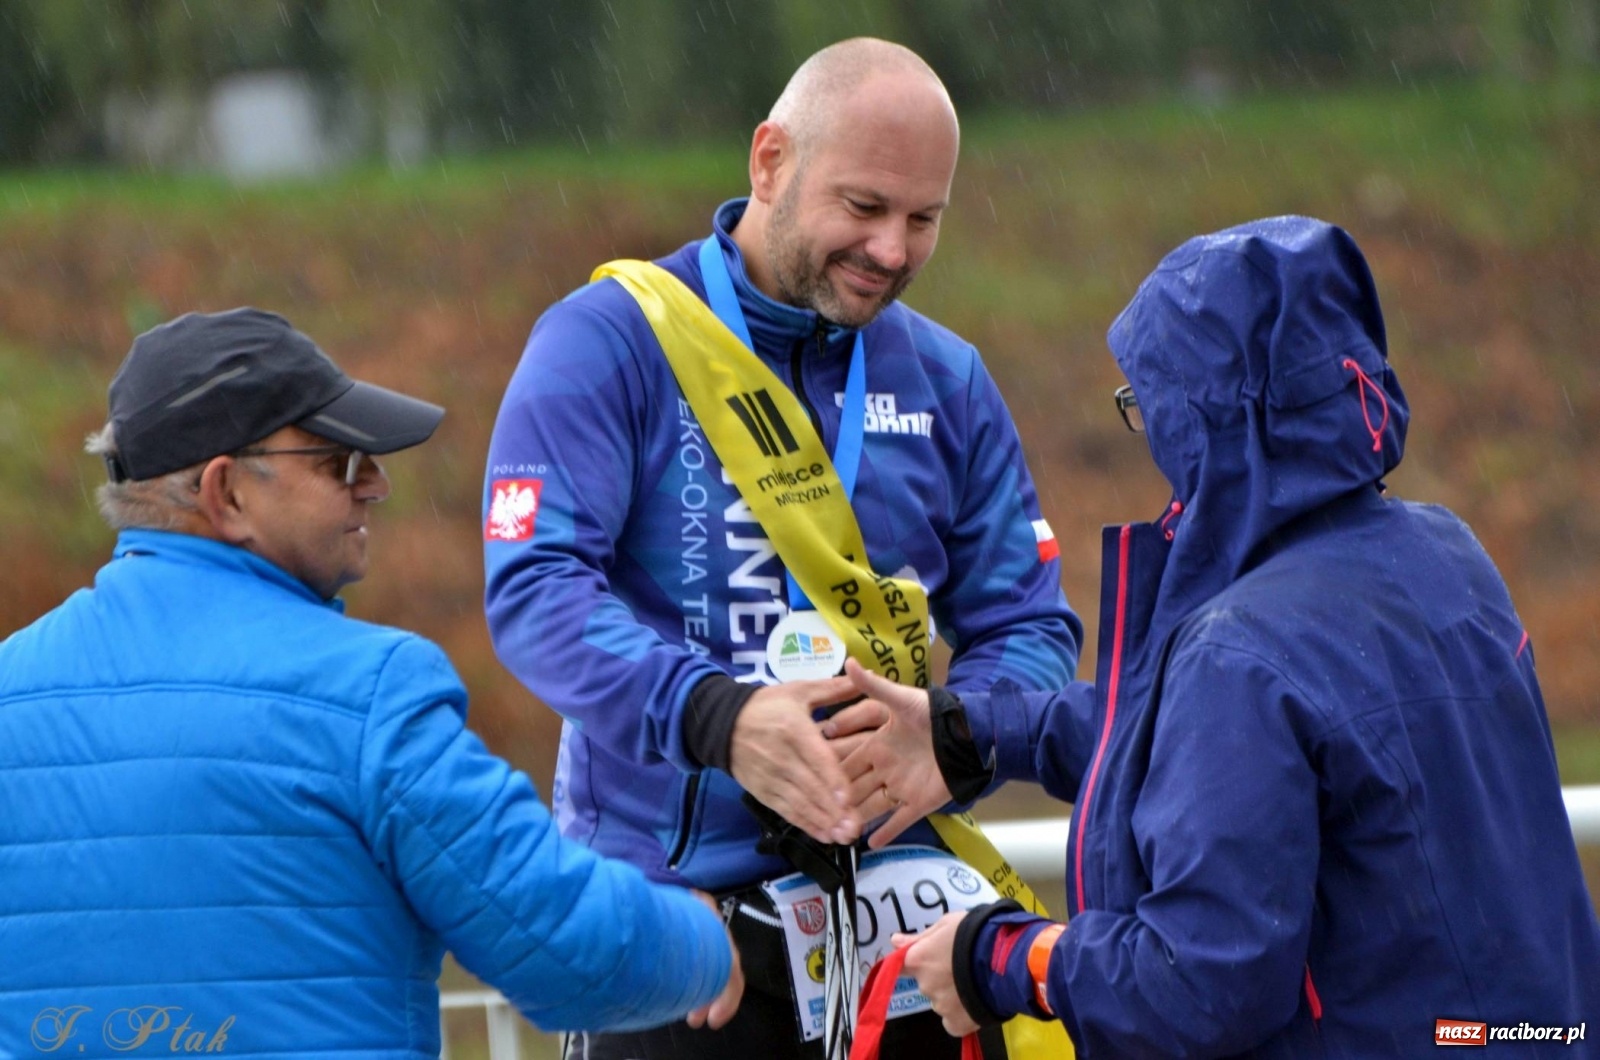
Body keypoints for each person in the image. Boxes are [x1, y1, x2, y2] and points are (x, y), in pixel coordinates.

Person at [830, 217, 1600, 1057]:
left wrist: (1002, 956)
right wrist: (973, 732)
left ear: (1199, 420)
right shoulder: (1442, 553)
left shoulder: (1242, 650)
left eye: (1146, 405)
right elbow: (1214, 741)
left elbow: (1198, 986)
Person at [483, 37, 1082, 1060]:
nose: (892, 249)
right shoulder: (609, 340)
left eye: (922, 219)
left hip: (899, 932)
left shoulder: (947, 377)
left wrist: (949, 736)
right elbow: (535, 588)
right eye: (863, 207)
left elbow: (1028, 624)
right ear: (769, 161)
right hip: (679, 935)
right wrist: (716, 717)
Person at [0, 308, 741, 1058]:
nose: (376, 485)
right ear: (226, 493)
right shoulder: (368, 691)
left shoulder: (8, 688)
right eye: (339, 462)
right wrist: (696, 940)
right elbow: (566, 952)